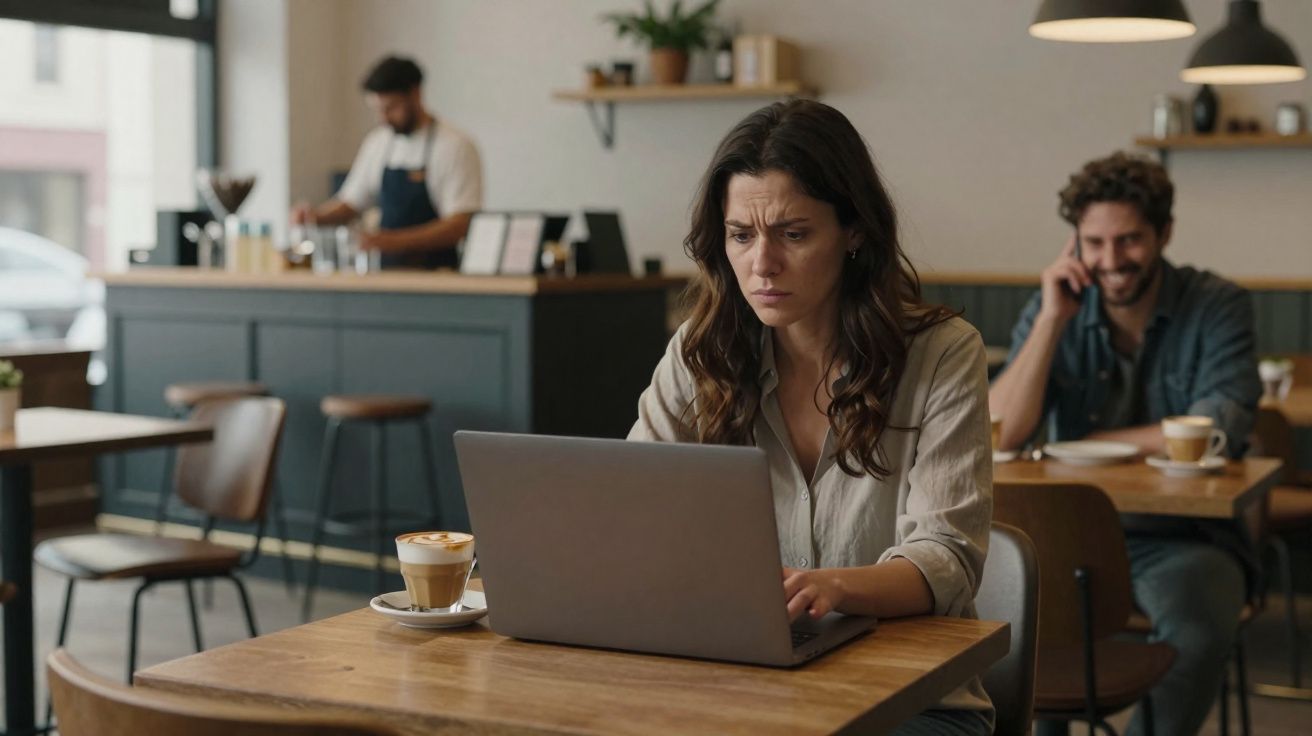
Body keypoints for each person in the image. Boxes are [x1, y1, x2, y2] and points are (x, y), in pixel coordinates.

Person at [628, 99, 994, 736]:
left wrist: (836, 588)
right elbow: (627, 500)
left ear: (854, 232)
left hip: (914, 704)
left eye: (793, 235)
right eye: (741, 235)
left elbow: (947, 558)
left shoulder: (941, 354)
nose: (761, 264)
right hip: (742, 690)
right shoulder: (700, 352)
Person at [989, 151, 1261, 736]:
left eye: (1129, 240)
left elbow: (1220, 424)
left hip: (1184, 537)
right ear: (1075, 245)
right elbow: (1002, 432)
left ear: (1164, 233)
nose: (1111, 261)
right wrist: (1050, 322)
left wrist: (1096, 442)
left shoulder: (1217, 305)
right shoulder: (1054, 306)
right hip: (1068, 537)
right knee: (1020, 622)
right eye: (1094, 242)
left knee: (1198, 627)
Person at [290, 55, 482, 269]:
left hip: (437, 274)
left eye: (391, 108)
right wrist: (315, 217)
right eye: (378, 109)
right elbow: (351, 202)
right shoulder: (379, 142)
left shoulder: (454, 146)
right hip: (385, 273)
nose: (383, 118)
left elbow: (460, 224)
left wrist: (391, 241)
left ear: (415, 94)